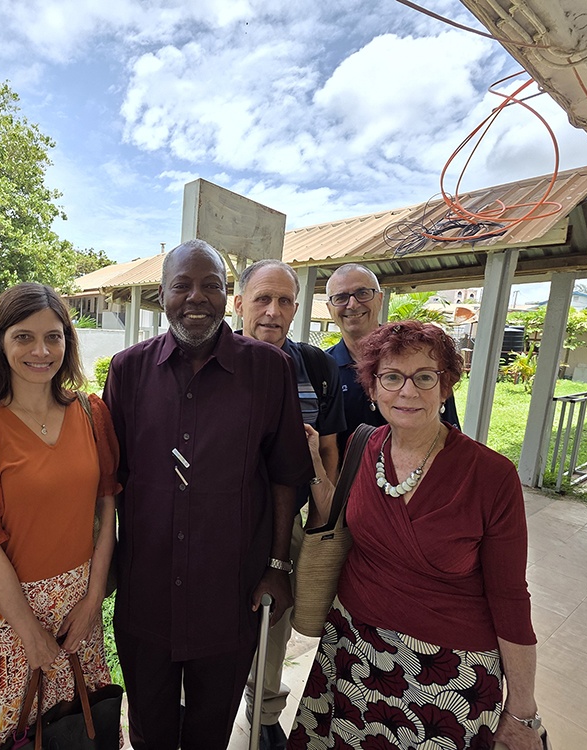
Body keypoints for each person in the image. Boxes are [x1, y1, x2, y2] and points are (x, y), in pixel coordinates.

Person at [288, 321, 539, 750]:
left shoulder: (492, 475)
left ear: (445, 388)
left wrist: (522, 711)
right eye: (391, 377)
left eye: (425, 377)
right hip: (351, 648)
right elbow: (339, 521)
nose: (408, 392)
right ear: (372, 387)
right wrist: (313, 464)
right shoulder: (365, 445)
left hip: (446, 673)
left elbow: (510, 597)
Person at [103, 240, 313, 750]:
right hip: (146, 592)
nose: (196, 297)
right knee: (149, 730)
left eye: (211, 285)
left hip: (230, 594)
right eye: (182, 285)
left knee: (208, 733)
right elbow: (108, 480)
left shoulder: (268, 369)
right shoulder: (128, 370)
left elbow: (287, 474)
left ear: (228, 297)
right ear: (162, 294)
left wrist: (277, 567)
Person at [0, 282, 119, 749]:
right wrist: (31, 634)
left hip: (77, 607)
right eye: (24, 337)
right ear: (0, 342)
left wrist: (93, 600)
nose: (41, 350)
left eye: (54, 337)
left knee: (74, 727)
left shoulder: (90, 411)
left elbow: (106, 506)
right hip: (6, 616)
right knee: (12, 735)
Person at [233, 258, 345, 750]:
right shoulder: (217, 362)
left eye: (284, 302)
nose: (272, 312)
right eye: (262, 299)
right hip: (223, 517)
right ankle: (202, 703)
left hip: (290, 517)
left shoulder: (316, 365)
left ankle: (263, 713)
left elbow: (330, 451)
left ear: (297, 309)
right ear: (239, 304)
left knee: (273, 620)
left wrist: (323, 515)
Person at [324, 263, 459, 456]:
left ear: (380, 299)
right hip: (351, 481)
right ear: (330, 308)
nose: (352, 304)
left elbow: (449, 430)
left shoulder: (419, 359)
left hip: (420, 475)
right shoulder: (323, 368)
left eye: (362, 293)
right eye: (341, 297)